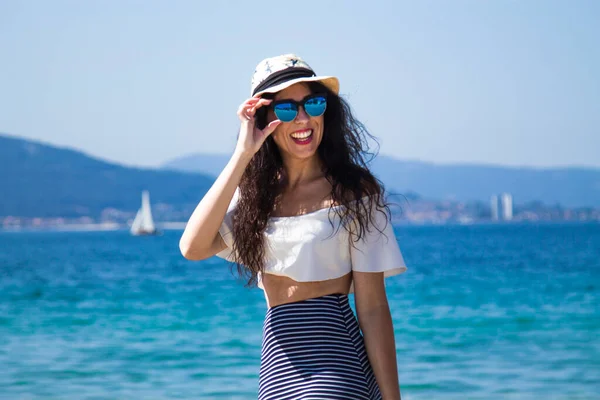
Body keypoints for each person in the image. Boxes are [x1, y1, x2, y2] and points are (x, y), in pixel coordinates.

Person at [179, 54, 408, 400]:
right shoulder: (256, 198)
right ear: (264, 120)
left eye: (312, 104)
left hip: (336, 359)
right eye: (286, 109)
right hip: (277, 363)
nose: (303, 118)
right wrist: (242, 154)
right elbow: (192, 247)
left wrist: (392, 398)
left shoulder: (354, 193)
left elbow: (373, 307)